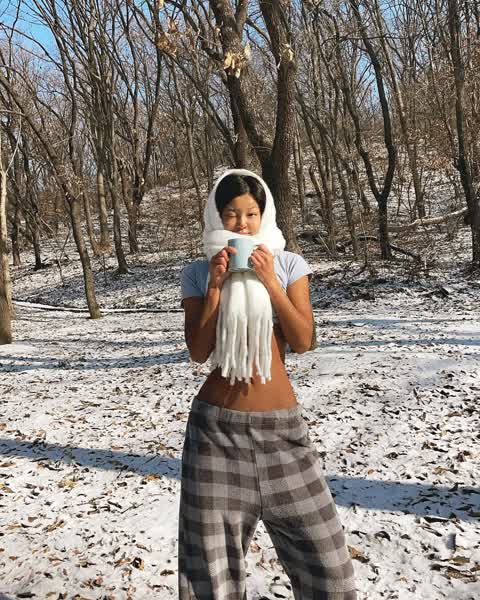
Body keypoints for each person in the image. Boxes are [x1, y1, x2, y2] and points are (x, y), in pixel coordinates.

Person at [178, 168, 356, 599]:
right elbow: (199, 350)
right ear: (215, 216)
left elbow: (303, 339)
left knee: (329, 570)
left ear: (264, 214)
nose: (241, 224)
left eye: (251, 213)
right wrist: (216, 288)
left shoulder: (289, 263)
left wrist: (271, 282)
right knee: (211, 579)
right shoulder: (198, 272)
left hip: (283, 435)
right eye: (230, 213)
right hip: (216, 438)